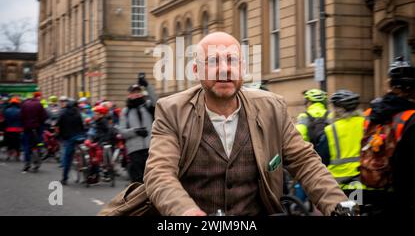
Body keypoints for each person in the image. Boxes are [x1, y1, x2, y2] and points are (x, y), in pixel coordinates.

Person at [142, 32, 349, 216]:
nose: (224, 70)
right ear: (196, 70)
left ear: (242, 68)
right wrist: (185, 211)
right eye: (213, 61)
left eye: (232, 60)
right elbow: (159, 173)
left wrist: (340, 205)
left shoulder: (272, 108)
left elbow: (305, 163)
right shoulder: (172, 110)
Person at [361, 57, 415, 215]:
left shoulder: (370, 114)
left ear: (390, 85)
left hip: (369, 188)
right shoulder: (410, 118)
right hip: (399, 197)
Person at [319, 90, 365, 193]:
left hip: (344, 186)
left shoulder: (331, 130)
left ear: (337, 109)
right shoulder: (367, 124)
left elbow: (321, 158)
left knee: (344, 209)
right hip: (368, 181)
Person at [118, 83, 155, 183]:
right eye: (134, 92)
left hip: (150, 148)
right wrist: (135, 131)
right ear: (129, 95)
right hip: (135, 150)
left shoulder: (148, 107)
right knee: (138, 181)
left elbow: (155, 100)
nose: (136, 94)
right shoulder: (125, 111)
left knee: (153, 179)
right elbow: (122, 131)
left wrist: (147, 85)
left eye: (138, 92)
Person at [56, 99, 86, 185]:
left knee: (67, 158)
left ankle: (65, 178)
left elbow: (58, 125)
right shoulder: (78, 113)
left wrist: (59, 135)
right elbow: (82, 125)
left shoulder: (63, 113)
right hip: (79, 137)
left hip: (68, 138)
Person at [20, 92, 47, 172]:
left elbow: (21, 116)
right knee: (38, 143)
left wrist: (24, 124)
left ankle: (27, 163)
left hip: (27, 128)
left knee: (26, 145)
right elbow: (44, 116)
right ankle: (37, 161)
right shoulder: (39, 104)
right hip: (37, 128)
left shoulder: (24, 104)